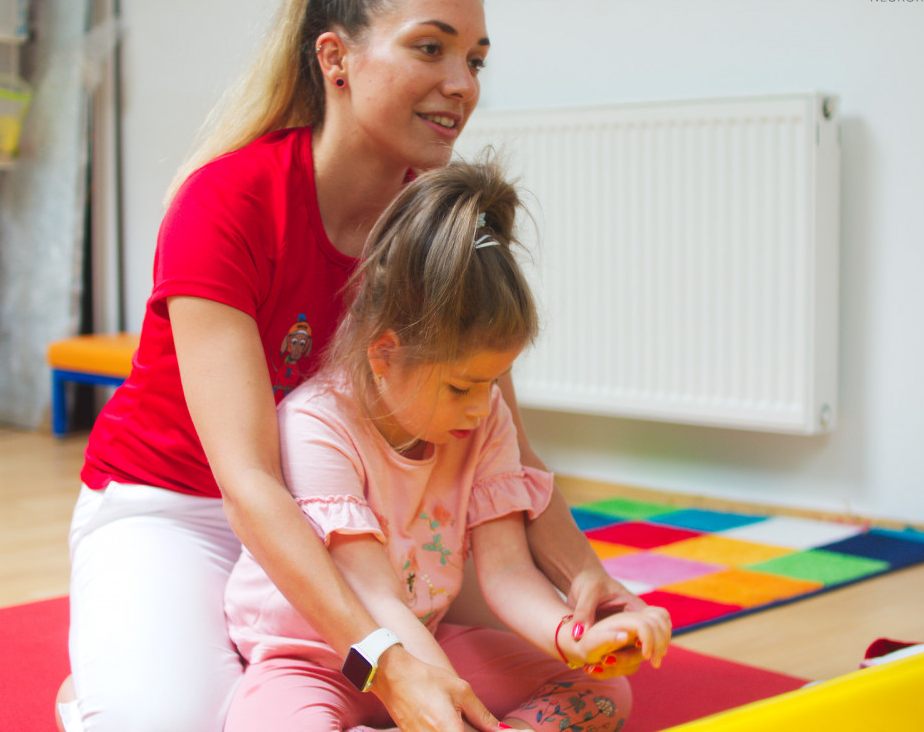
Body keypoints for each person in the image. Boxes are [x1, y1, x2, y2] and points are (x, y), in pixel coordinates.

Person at [61, 0, 661, 730]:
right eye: (430, 48)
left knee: (564, 667)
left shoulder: (435, 227)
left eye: (476, 60)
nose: (461, 84)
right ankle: (120, 684)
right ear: (335, 58)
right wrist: (385, 661)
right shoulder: (227, 202)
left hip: (365, 518)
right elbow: (251, 484)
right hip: (185, 507)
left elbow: (500, 432)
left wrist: (586, 577)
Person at [223, 160, 672, 732]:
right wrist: (447, 710)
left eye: (493, 382)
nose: (483, 406)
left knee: (605, 690)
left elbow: (508, 572)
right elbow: (377, 599)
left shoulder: (483, 421)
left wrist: (576, 637)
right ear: (383, 354)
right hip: (313, 660)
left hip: (427, 642)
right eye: (462, 385)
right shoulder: (317, 424)